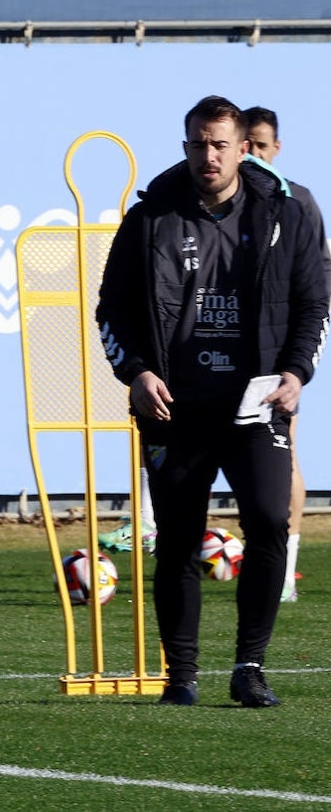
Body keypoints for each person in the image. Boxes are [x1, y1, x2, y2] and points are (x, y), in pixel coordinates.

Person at [95, 95, 329, 708]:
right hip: (178, 406)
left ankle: (249, 667)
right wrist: (138, 374)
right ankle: (182, 676)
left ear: (242, 148)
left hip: (256, 404)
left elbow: (314, 305)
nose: (210, 155)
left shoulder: (288, 210)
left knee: (270, 523)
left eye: (221, 144)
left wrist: (297, 373)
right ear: (185, 147)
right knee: (176, 538)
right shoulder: (150, 219)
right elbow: (110, 311)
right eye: (199, 143)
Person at [243, 106, 331, 604]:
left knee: (284, 451)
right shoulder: (219, 201)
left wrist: (300, 348)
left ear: (277, 147)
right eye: (246, 143)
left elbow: (320, 277)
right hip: (223, 357)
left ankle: (283, 568)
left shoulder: (298, 201)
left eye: (261, 143)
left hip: (277, 358)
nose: (253, 153)